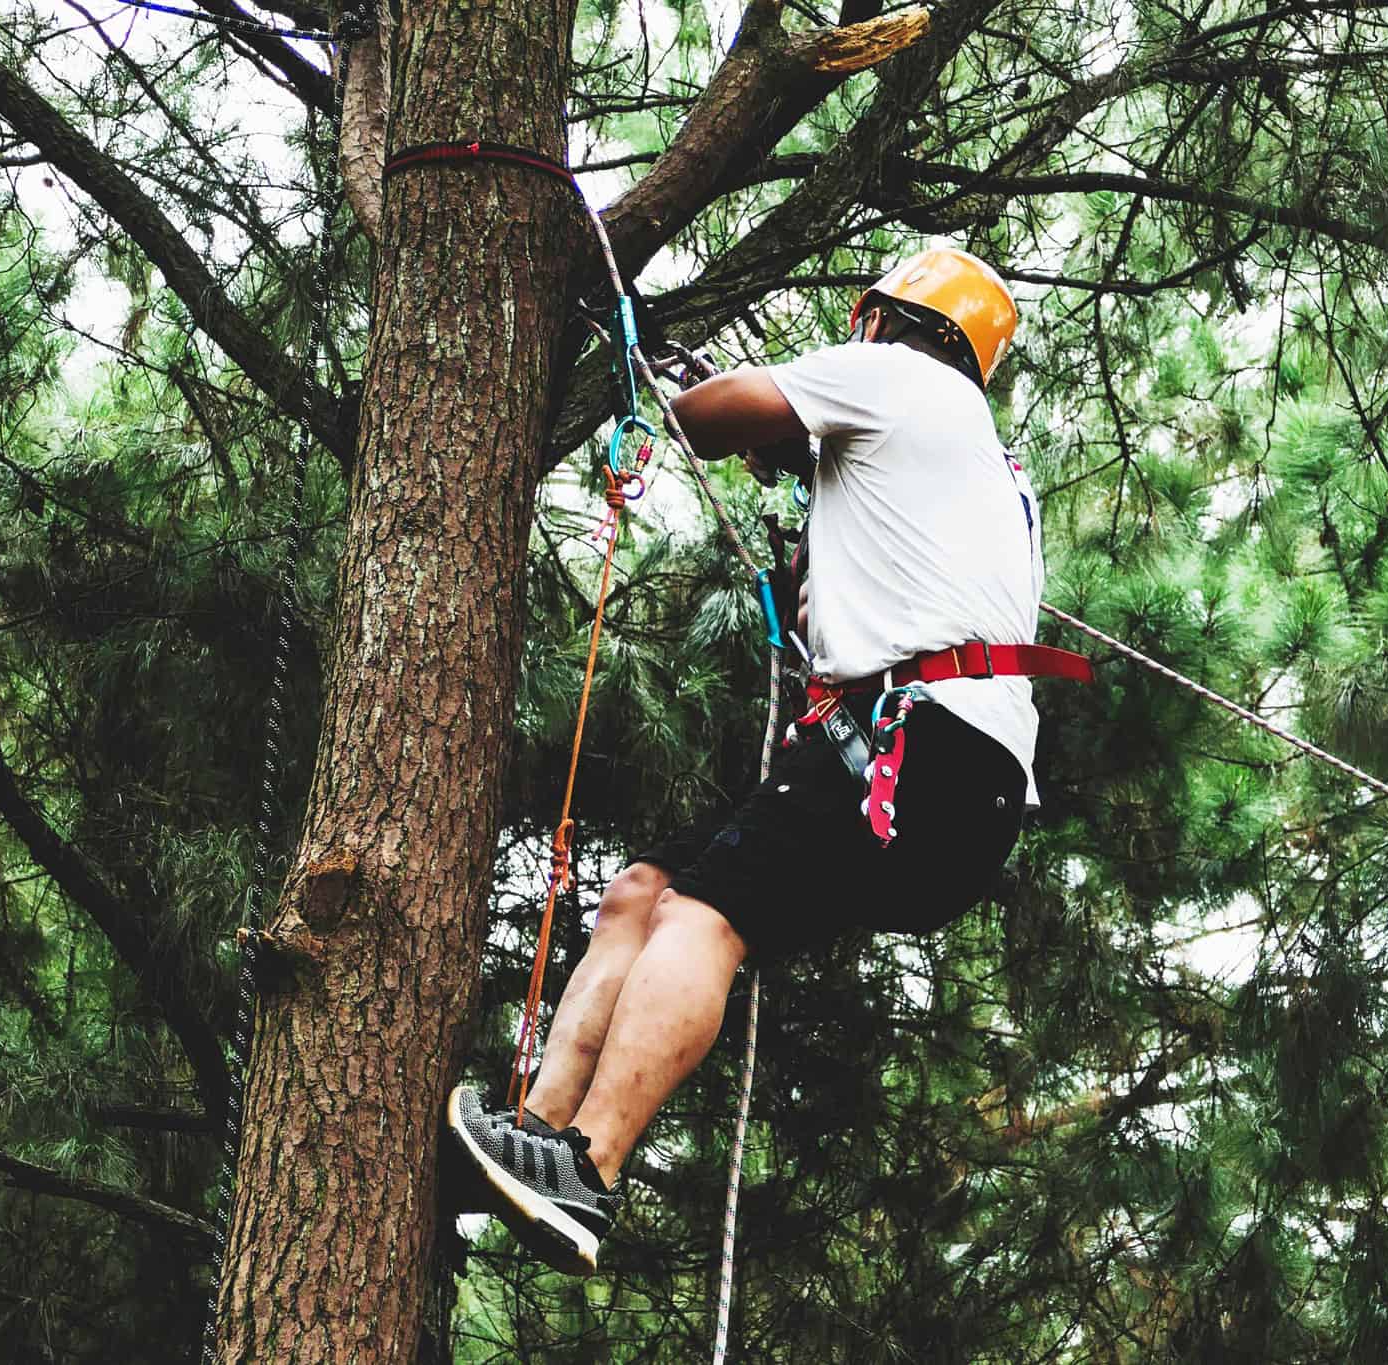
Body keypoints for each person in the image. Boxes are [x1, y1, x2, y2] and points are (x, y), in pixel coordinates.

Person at [444, 247, 1080, 1273]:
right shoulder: (979, 468)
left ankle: (586, 1167)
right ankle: (536, 1132)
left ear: (884, 323)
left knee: (705, 917)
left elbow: (710, 412)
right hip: (951, 777)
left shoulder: (901, 381)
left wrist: (667, 380)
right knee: (645, 894)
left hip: (913, 743)